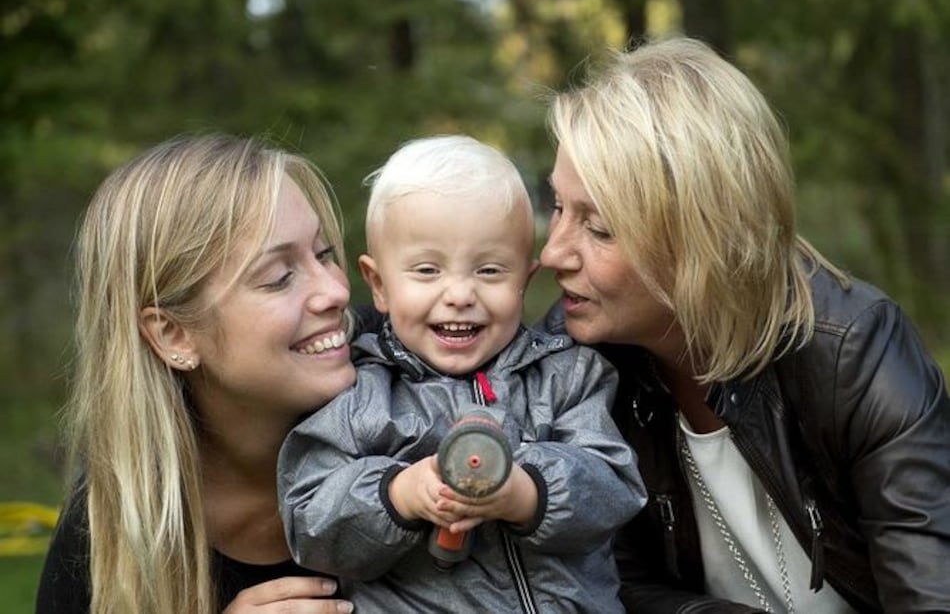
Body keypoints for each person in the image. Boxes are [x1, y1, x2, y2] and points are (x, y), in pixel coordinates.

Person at [538, 36, 950, 613]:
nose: (552, 253)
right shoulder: (569, 364)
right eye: (559, 207)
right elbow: (600, 583)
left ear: (701, 237)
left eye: (599, 228)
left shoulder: (854, 355)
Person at [278, 134, 647, 612]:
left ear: (524, 282)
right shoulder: (357, 395)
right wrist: (398, 495)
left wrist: (527, 491)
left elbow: (614, 485)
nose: (459, 295)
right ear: (379, 285)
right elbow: (309, 522)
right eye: (427, 271)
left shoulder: (565, 376)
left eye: (489, 271)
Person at [36, 134, 358, 614]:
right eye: (279, 277)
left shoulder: (420, 389)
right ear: (173, 335)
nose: (335, 291)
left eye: (324, 253)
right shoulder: (111, 528)